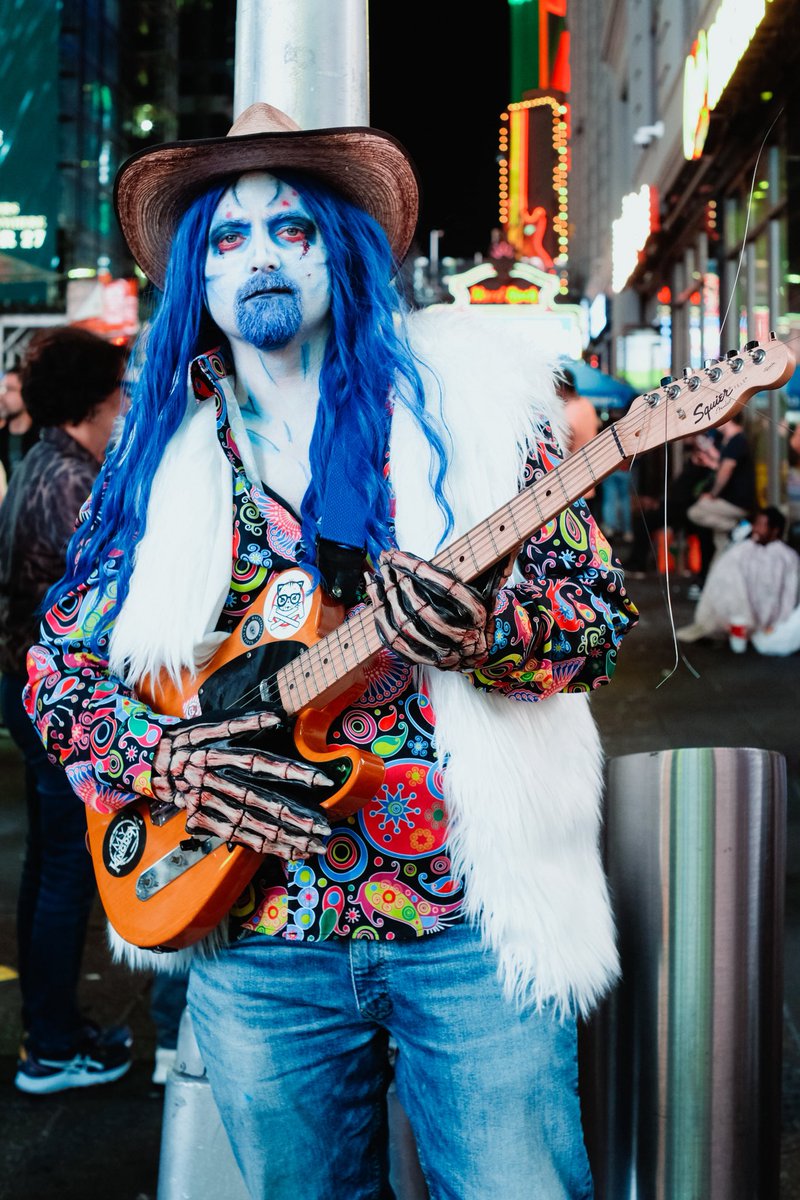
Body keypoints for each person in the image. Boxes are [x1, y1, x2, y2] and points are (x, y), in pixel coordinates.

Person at [24, 103, 637, 1196]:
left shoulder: (484, 418)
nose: (257, 256)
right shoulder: (154, 464)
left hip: (468, 928)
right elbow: (58, 673)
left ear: (341, 252)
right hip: (255, 938)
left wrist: (482, 634)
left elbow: (589, 618)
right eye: (226, 237)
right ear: (197, 282)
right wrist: (171, 762)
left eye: (291, 230)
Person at [0, 326, 133, 1094]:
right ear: (92, 402)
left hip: (25, 695)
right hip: (50, 704)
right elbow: (102, 607)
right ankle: (51, 1045)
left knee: (47, 869)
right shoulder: (70, 482)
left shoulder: (48, 463)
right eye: (117, 393)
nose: (125, 406)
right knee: (63, 875)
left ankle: (49, 1033)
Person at [677, 505, 800, 644]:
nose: (756, 529)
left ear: (775, 530)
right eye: (756, 524)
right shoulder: (745, 548)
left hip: (770, 622)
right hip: (736, 615)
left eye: (761, 525)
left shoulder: (785, 556)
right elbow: (725, 573)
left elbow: (786, 592)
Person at [686, 414, 755, 572]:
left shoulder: (737, 440)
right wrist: (710, 461)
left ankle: (734, 528)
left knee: (695, 511)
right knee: (721, 544)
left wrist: (713, 494)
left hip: (735, 501)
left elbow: (726, 470)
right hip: (733, 500)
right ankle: (717, 580)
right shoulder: (731, 441)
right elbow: (723, 466)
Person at [555, 366, 601, 506]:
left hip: (571, 487)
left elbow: (560, 453)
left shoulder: (567, 414)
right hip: (590, 481)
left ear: (562, 387)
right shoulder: (588, 405)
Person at [0, 365, 38, 483]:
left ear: (26, 394)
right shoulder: (1, 438)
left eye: (9, 389)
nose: (1, 396)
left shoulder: (43, 439)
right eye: (1, 389)